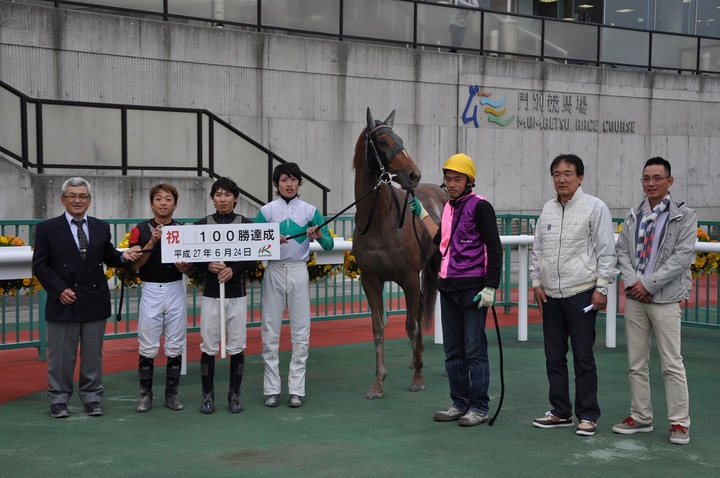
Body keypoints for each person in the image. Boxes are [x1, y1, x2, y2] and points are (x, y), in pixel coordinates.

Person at [32, 177, 140, 418]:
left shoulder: (101, 227)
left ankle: (92, 398)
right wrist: (59, 290)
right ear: (63, 199)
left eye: (82, 196)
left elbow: (109, 255)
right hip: (63, 300)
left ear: (89, 200)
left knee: (93, 356)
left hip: (94, 299)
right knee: (60, 356)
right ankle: (58, 399)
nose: (77, 200)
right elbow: (40, 265)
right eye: (72, 195)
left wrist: (124, 256)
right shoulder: (47, 228)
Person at [411, 153, 502, 427]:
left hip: (473, 288)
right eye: (448, 179)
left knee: (474, 350)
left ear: (469, 181)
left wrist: (490, 287)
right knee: (452, 350)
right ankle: (459, 403)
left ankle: (479, 407)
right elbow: (441, 240)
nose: (451, 184)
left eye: (457, 179)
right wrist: (423, 214)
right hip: (448, 287)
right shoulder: (449, 207)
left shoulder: (481, 206)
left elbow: (494, 248)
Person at [529, 154, 618, 437]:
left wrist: (601, 288)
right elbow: (538, 250)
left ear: (580, 177)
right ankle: (560, 411)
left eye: (568, 173)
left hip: (582, 294)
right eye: (556, 174)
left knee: (583, 357)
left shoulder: (595, 207)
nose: (561, 179)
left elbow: (606, 251)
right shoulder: (547, 209)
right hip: (551, 296)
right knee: (554, 357)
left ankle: (588, 415)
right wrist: (536, 282)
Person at [612, 157, 696, 445]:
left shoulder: (685, 216)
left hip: (666, 299)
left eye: (657, 178)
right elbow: (622, 251)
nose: (651, 183)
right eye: (646, 178)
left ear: (670, 181)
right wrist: (633, 283)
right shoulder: (633, 215)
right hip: (636, 298)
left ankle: (680, 422)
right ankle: (641, 416)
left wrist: (647, 284)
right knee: (636, 363)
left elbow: (681, 258)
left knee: (672, 363)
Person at [254, 162, 334, 408]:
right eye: (284, 180)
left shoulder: (310, 211)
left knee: (301, 332)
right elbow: (254, 246)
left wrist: (318, 236)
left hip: (299, 270)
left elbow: (329, 244)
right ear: (276, 184)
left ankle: (296, 390)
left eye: (293, 179)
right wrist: (269, 240)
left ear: (299, 183)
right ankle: (272, 390)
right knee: (270, 332)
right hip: (274, 270)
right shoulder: (266, 211)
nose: (289, 184)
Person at [192, 177, 256, 414]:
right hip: (211, 294)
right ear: (212, 198)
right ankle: (207, 396)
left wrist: (233, 269)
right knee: (208, 345)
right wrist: (207, 265)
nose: (222, 199)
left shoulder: (246, 224)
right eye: (218, 194)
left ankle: (234, 395)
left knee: (237, 345)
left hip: (236, 293)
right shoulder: (201, 225)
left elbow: (254, 256)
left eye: (227, 194)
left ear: (235, 198)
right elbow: (192, 254)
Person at [128, 183, 186, 413]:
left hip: (175, 287)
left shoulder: (182, 230)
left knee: (175, 343)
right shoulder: (139, 230)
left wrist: (186, 267)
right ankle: (146, 395)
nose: (163, 203)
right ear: (151, 204)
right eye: (159, 198)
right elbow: (135, 265)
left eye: (168, 199)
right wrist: (152, 241)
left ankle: (172, 395)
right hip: (151, 288)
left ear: (175, 204)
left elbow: (191, 267)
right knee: (148, 344)